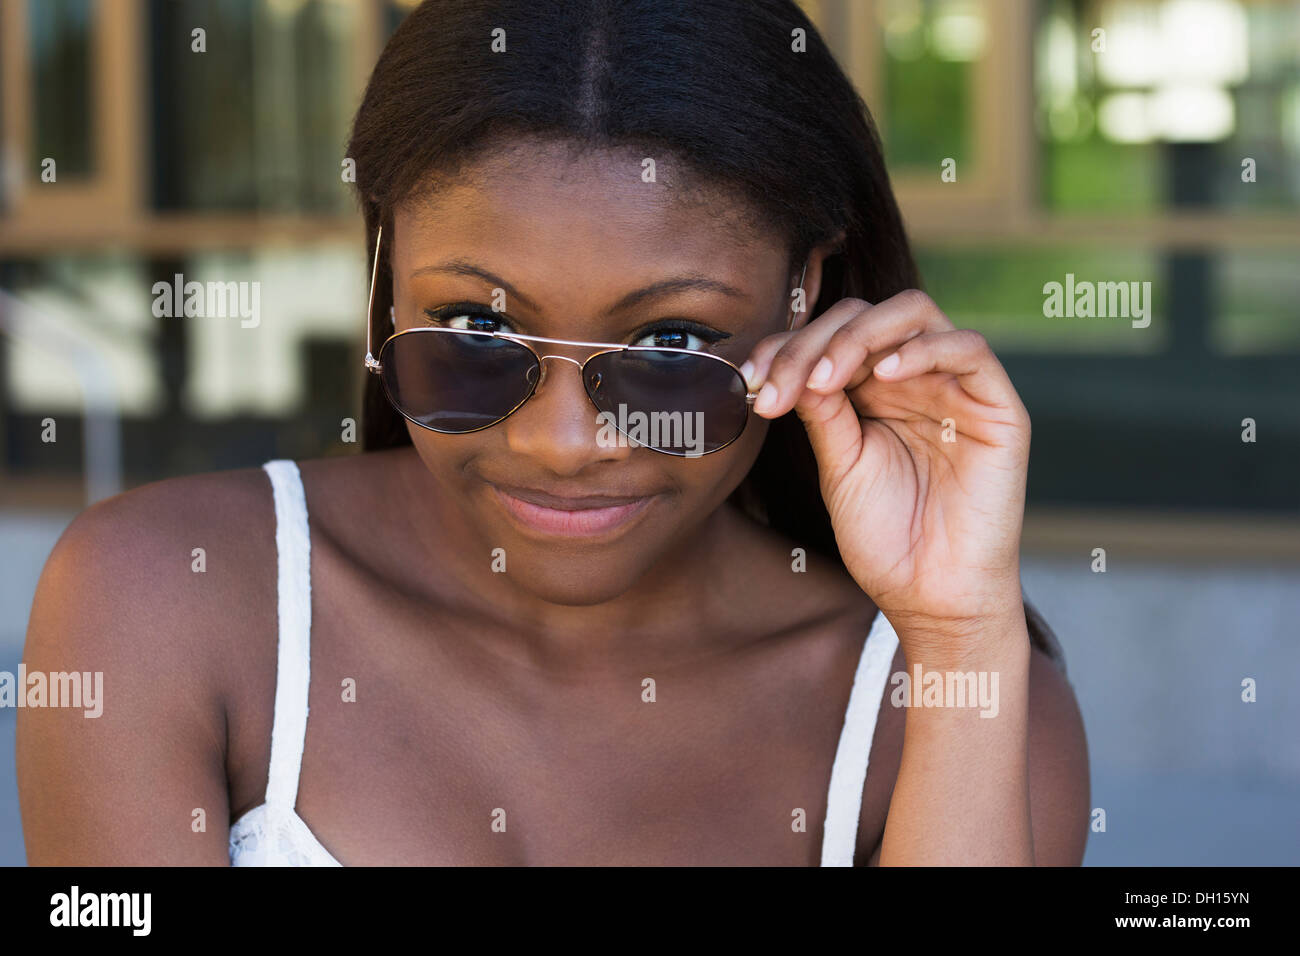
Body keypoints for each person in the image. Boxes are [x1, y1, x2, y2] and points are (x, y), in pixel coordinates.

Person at [17, 0, 1088, 865]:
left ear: (804, 289)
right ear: (390, 272)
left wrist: (956, 633)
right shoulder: (162, 596)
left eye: (670, 340)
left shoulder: (961, 703)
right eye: (477, 327)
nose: (564, 442)